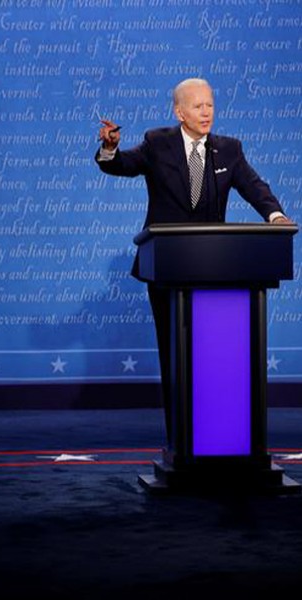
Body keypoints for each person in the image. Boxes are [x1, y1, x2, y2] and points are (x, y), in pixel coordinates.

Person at [95, 77, 291, 446]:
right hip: (167, 268)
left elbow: (253, 186)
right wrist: (110, 148)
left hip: (217, 270)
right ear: (179, 111)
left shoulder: (229, 150)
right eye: (198, 106)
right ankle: (181, 443)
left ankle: (221, 441)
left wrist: (275, 216)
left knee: (216, 362)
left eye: (210, 105)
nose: (206, 112)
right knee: (176, 357)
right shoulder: (157, 143)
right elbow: (120, 165)